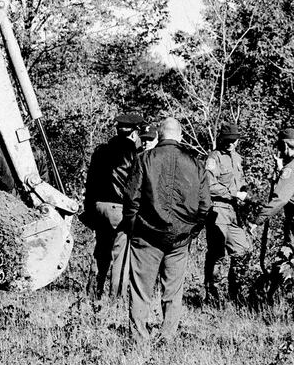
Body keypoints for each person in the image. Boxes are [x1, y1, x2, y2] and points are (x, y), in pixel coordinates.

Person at [122, 117, 210, 341]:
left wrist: (134, 228)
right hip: (180, 238)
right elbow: (205, 206)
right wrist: (191, 231)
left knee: (141, 289)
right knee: (173, 290)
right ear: (180, 136)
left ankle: (139, 337)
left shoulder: (144, 159)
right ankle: (167, 336)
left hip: (147, 235)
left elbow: (132, 199)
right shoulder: (196, 163)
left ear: (159, 135)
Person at [82, 112, 145, 299]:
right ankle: (115, 300)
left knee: (100, 252)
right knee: (121, 258)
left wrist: (89, 209)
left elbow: (90, 182)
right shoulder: (134, 154)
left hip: (98, 207)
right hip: (119, 209)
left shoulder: (101, 150)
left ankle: (92, 294)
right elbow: (134, 186)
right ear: (134, 133)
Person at [204, 122, 251, 305]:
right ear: (222, 139)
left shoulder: (238, 158)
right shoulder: (214, 158)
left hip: (234, 211)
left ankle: (235, 292)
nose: (231, 144)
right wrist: (233, 193)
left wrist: (245, 192)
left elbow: (241, 181)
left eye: (234, 140)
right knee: (217, 253)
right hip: (218, 209)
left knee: (243, 249)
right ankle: (212, 294)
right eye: (228, 140)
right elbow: (210, 185)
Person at [252, 128, 294, 258]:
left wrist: (257, 220)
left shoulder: (291, 168)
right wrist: (281, 167)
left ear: (286, 145)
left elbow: (280, 199)